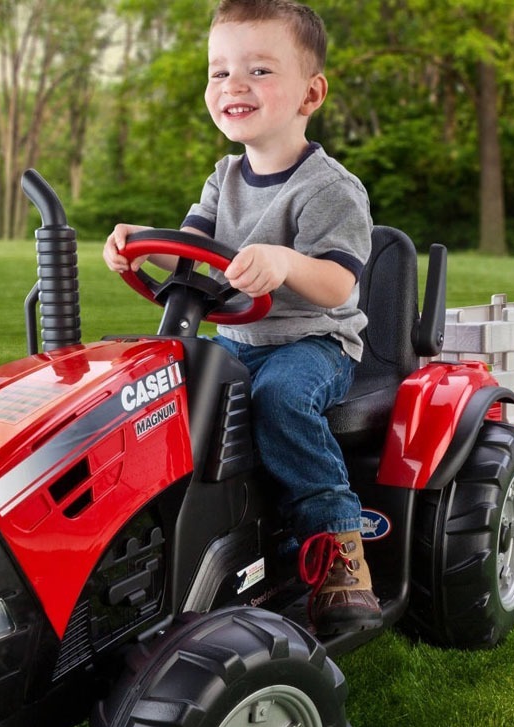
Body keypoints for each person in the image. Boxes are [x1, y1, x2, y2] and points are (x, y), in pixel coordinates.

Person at [103, 0, 378, 637]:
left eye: (258, 70)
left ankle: (341, 556)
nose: (234, 86)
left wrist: (285, 262)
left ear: (312, 93)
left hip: (312, 344)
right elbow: (188, 250)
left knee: (280, 399)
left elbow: (339, 284)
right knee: (154, 392)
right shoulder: (222, 178)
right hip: (235, 339)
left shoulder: (331, 189)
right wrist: (135, 242)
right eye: (219, 71)